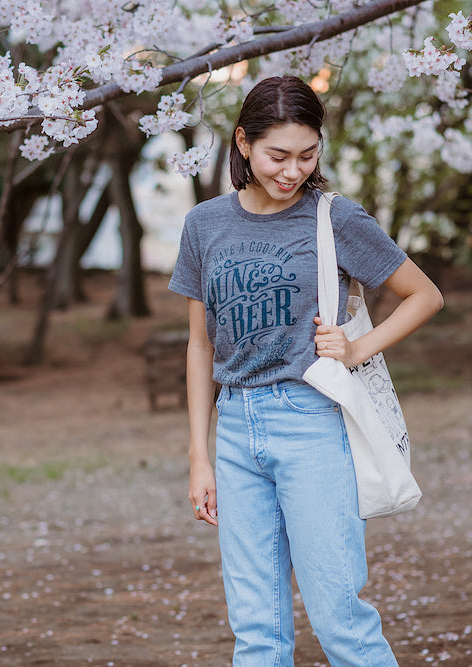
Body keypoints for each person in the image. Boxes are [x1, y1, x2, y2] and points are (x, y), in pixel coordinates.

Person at [168, 75, 444, 666]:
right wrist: (200, 455)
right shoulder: (204, 225)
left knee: (340, 619)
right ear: (243, 144)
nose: (291, 171)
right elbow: (199, 346)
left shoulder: (335, 219)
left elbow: (424, 295)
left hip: (311, 422)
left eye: (307, 154)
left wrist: (357, 347)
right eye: (277, 155)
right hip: (237, 427)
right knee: (256, 630)